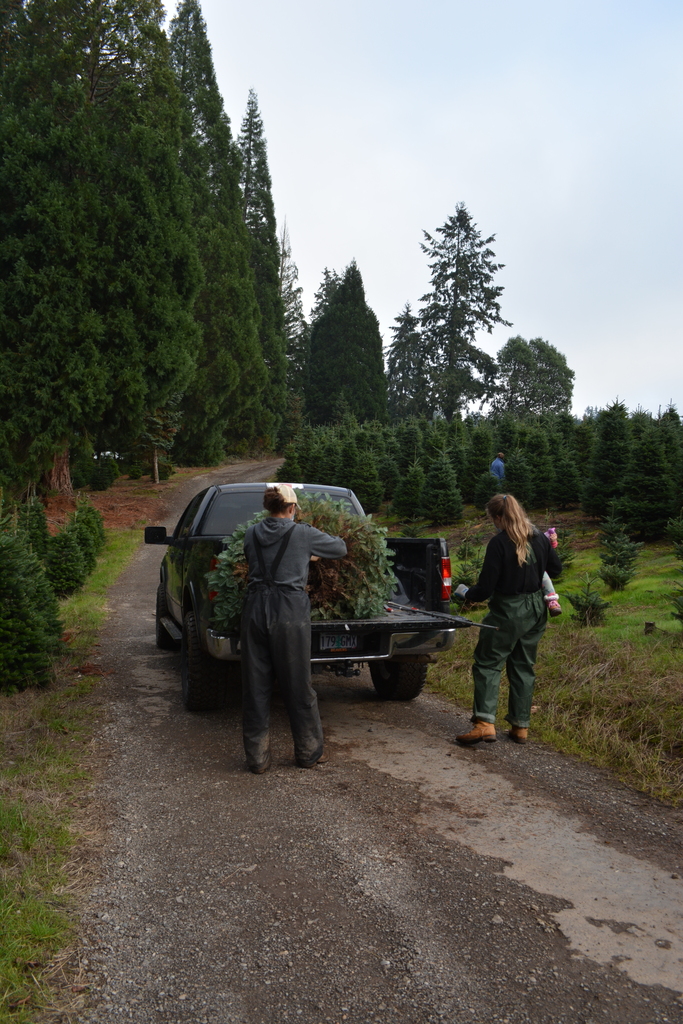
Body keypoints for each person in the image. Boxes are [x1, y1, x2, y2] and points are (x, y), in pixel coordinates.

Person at [241, 484, 347, 774]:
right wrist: (309, 553)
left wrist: (302, 555)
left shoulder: (251, 533)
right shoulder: (303, 533)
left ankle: (257, 759)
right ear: (291, 508)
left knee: (255, 684)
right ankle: (308, 753)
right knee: (298, 684)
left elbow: (257, 557)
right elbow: (340, 548)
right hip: (289, 610)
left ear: (268, 507)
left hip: (254, 609)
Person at [453, 493, 562, 746]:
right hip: (537, 609)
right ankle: (520, 727)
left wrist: (466, 593)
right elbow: (555, 569)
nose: (493, 523)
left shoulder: (499, 543)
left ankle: (484, 724)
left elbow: (486, 588)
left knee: (488, 662)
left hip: (509, 610)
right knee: (524, 665)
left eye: (492, 518)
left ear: (499, 517)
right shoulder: (539, 538)